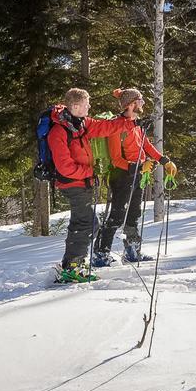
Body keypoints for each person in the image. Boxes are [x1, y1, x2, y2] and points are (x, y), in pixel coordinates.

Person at [48, 87, 141, 283]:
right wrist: (88, 172)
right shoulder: (58, 130)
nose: (89, 106)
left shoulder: (82, 123)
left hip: (82, 182)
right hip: (72, 183)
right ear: (75, 106)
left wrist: (128, 120)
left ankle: (71, 264)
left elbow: (106, 127)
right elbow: (64, 167)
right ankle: (72, 267)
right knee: (88, 223)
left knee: (81, 222)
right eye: (86, 104)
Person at [93, 87, 178, 265]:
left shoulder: (136, 124)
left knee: (133, 214)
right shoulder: (117, 127)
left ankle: (132, 252)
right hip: (121, 177)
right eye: (140, 101)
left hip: (137, 175)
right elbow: (116, 159)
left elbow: (145, 145)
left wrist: (164, 161)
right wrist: (140, 167)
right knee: (117, 216)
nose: (143, 104)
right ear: (131, 104)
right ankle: (100, 254)